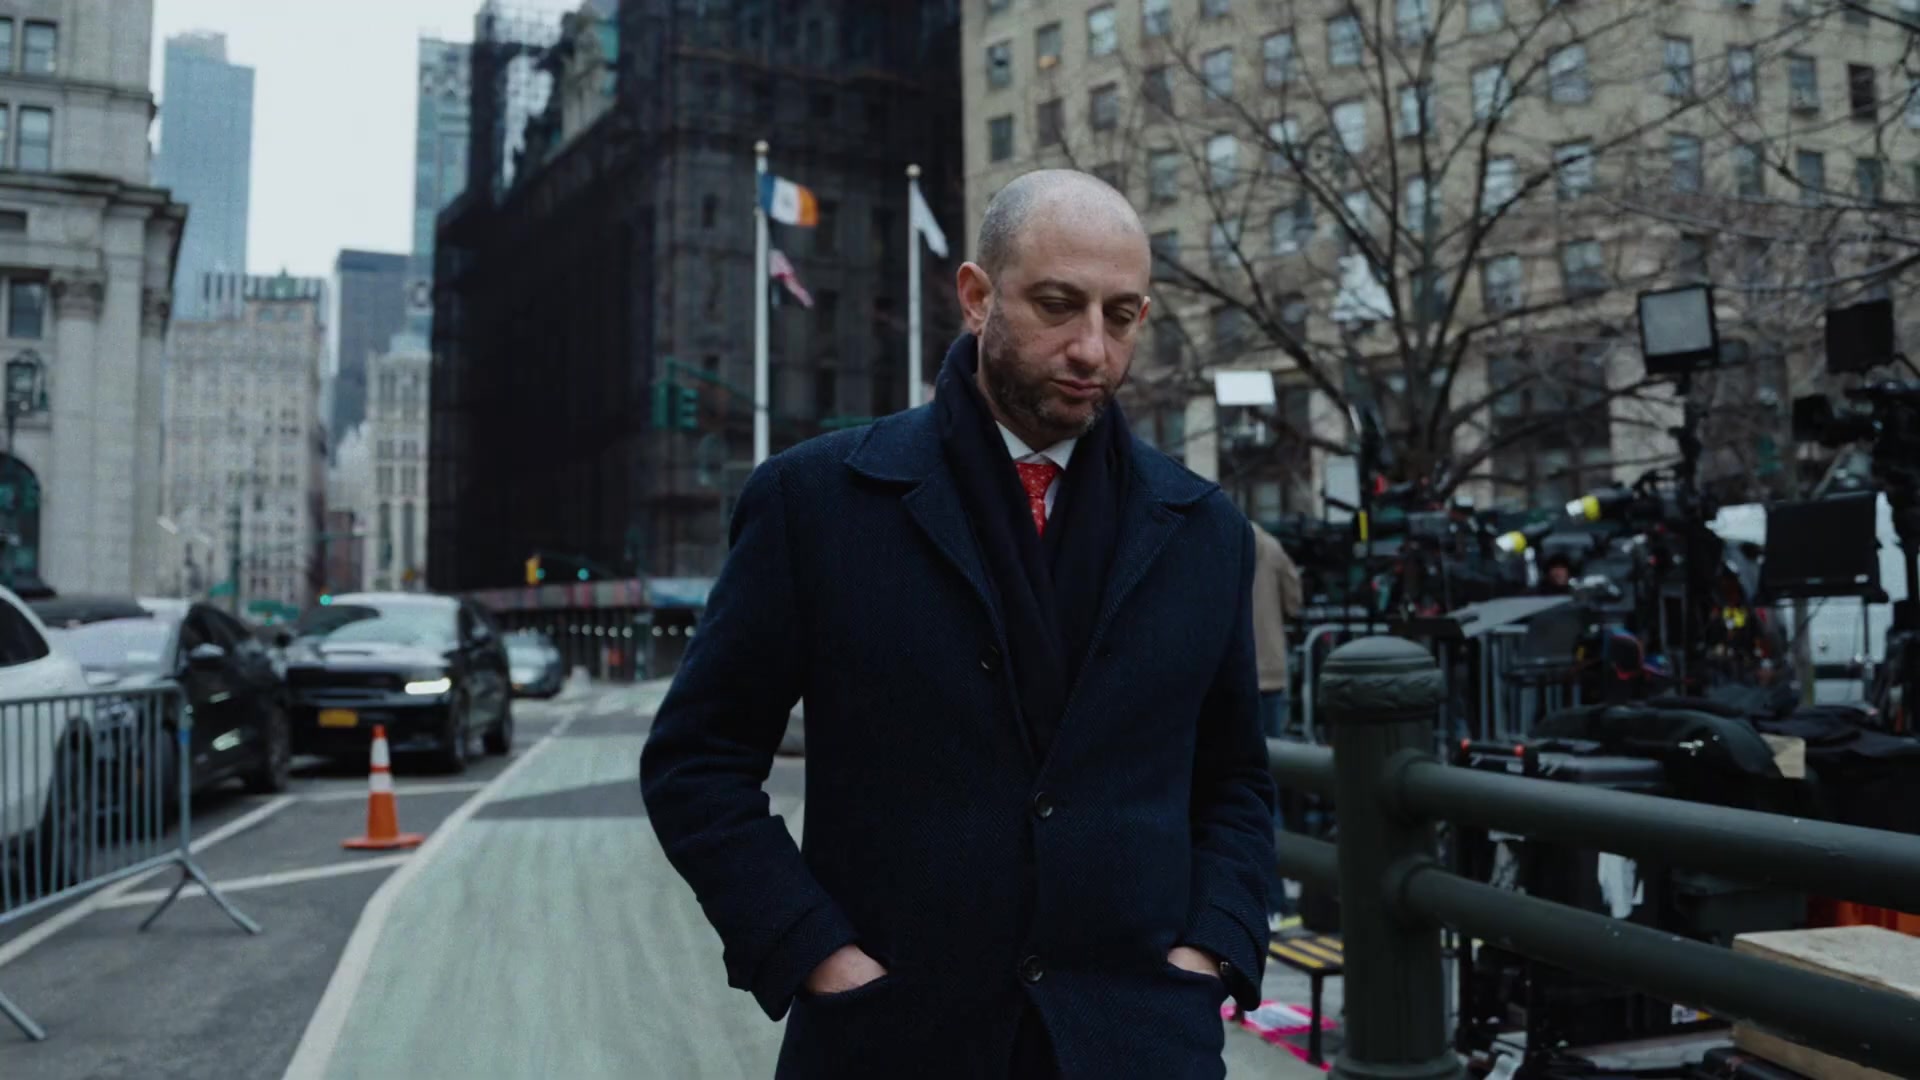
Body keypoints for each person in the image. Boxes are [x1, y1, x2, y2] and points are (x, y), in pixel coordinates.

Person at [640, 169, 1276, 1080]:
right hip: (891, 1043)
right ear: (977, 297)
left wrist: (1211, 952)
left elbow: (1237, 785)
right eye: (1059, 306)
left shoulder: (1205, 529)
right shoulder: (814, 503)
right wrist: (816, 953)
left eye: (1123, 314)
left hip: (1138, 1046)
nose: (1092, 348)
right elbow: (696, 763)